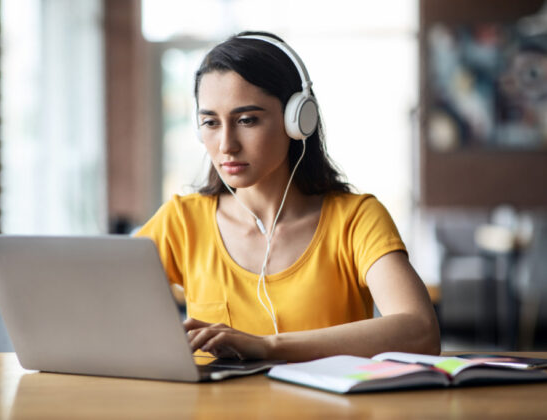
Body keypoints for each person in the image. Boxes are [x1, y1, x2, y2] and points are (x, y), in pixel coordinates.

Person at [135, 31, 440, 362]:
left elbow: (420, 331)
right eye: (210, 122)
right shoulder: (180, 222)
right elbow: (95, 308)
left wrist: (269, 346)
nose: (226, 145)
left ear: (298, 120)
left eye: (247, 120)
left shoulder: (355, 219)